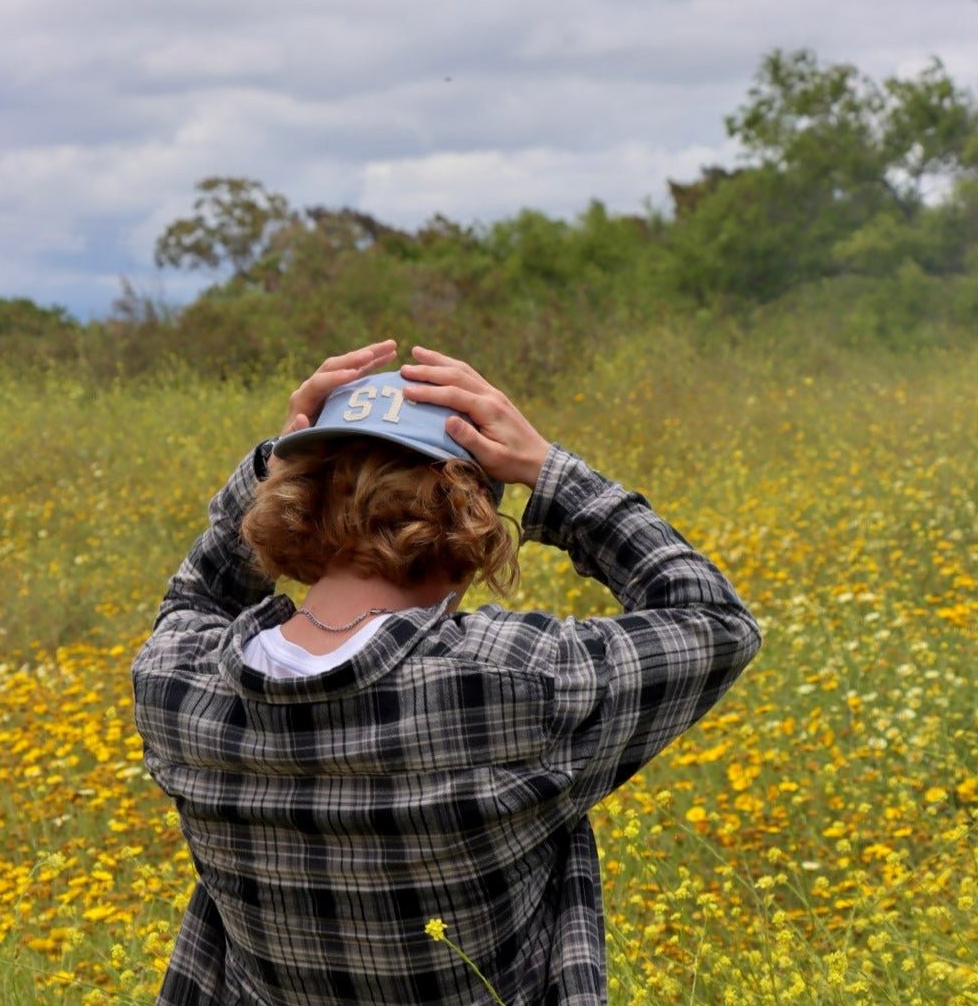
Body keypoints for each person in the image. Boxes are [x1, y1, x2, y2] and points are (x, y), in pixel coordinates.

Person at [132, 340, 761, 1006]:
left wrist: (271, 462)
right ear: (471, 534)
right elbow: (713, 618)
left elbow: (193, 599)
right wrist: (549, 472)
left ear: (293, 506)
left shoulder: (177, 684)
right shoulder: (516, 682)